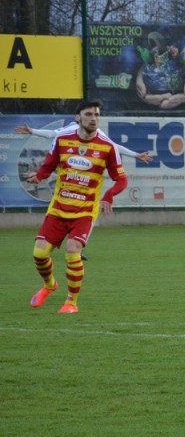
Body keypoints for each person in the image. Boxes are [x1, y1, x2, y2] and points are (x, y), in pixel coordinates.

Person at [26, 99, 128, 314]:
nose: (94, 119)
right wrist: (40, 176)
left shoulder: (107, 146)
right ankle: (49, 285)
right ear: (78, 117)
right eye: (89, 114)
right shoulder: (62, 140)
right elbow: (50, 164)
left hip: (84, 211)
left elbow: (121, 180)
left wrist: (109, 195)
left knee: (73, 251)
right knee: (39, 254)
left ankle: (71, 302)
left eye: (97, 115)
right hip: (58, 208)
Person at [15, 123, 154, 164]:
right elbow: (53, 134)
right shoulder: (72, 128)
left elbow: (113, 146)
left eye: (94, 114)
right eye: (88, 114)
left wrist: (136, 155)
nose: (91, 117)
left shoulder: (97, 131)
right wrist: (32, 131)